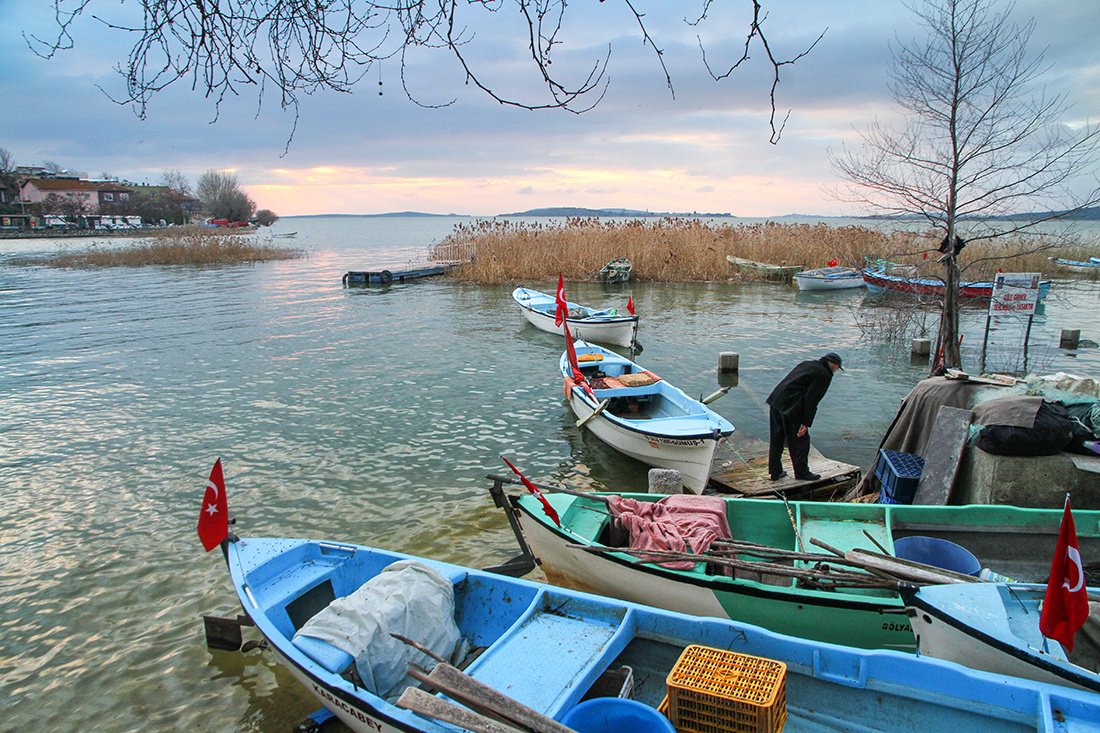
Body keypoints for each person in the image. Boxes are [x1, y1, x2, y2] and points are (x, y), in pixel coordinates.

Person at [765, 352, 843, 481]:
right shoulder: (824, 374)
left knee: (777, 438)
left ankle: (775, 472)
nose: (835, 371)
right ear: (834, 366)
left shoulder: (808, 364)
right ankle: (802, 473)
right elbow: (812, 399)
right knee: (800, 441)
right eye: (837, 369)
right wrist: (805, 423)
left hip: (776, 400)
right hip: (792, 405)